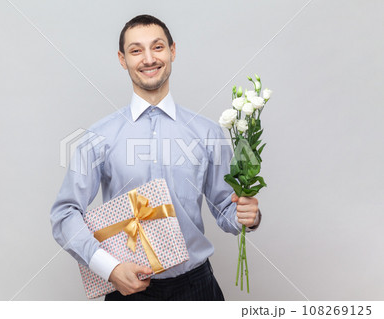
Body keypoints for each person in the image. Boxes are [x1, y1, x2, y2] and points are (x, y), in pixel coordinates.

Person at [50, 14, 261, 301]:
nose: (149, 59)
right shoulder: (97, 136)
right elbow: (65, 214)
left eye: (158, 47)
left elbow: (225, 208)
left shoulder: (207, 132)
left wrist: (248, 215)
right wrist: (109, 268)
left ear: (172, 51)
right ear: (123, 59)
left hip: (197, 289)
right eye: (136, 50)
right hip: (127, 289)